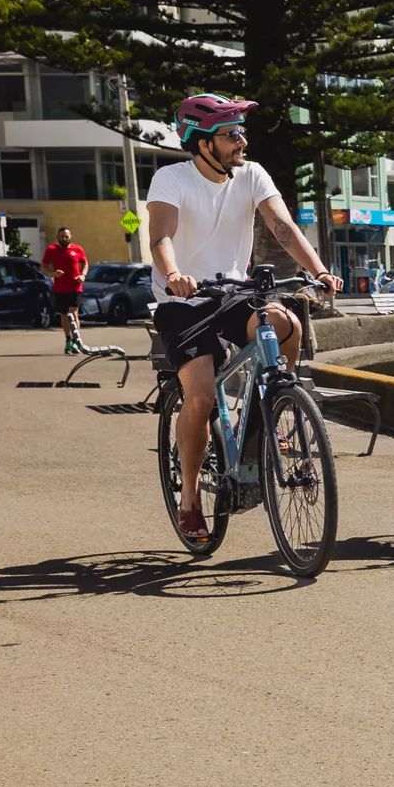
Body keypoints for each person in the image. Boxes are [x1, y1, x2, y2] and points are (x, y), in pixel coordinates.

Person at [146, 93, 341, 541]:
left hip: (235, 292)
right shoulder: (171, 179)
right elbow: (161, 236)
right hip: (184, 302)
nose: (242, 142)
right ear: (201, 141)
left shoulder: (251, 174)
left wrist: (319, 271)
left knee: (285, 324)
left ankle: (272, 409)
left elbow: (283, 228)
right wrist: (174, 274)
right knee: (200, 396)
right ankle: (191, 499)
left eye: (242, 133)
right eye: (231, 134)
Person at [41, 226, 88, 354]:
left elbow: (85, 263)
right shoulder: (51, 249)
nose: (64, 238)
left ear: (70, 237)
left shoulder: (77, 249)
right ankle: (68, 340)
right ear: (58, 237)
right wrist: (53, 273)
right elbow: (44, 266)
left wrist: (83, 275)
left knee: (73, 313)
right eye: (62, 236)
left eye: (66, 236)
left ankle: (76, 340)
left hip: (75, 286)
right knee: (64, 314)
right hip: (60, 288)